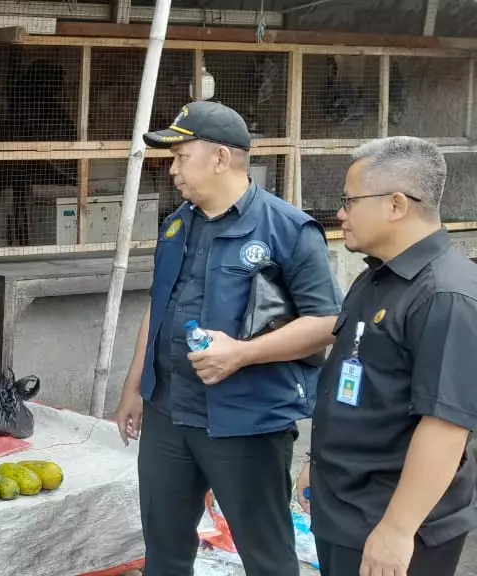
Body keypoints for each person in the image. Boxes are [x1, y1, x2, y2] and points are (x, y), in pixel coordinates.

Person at [114, 101, 343, 576]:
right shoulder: (177, 224)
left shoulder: (289, 231)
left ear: (220, 158)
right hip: (169, 415)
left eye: (181, 156)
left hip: (247, 422)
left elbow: (326, 323)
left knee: (266, 555)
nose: (172, 169)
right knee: (165, 550)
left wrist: (242, 354)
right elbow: (159, 306)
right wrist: (135, 386)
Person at [295, 136, 477, 576]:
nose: (340, 213)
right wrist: (315, 465)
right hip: (345, 509)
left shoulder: (445, 295)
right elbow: (352, 379)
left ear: (396, 204)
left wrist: (397, 529)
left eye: (349, 200)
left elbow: (445, 427)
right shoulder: (377, 278)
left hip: (395, 526)